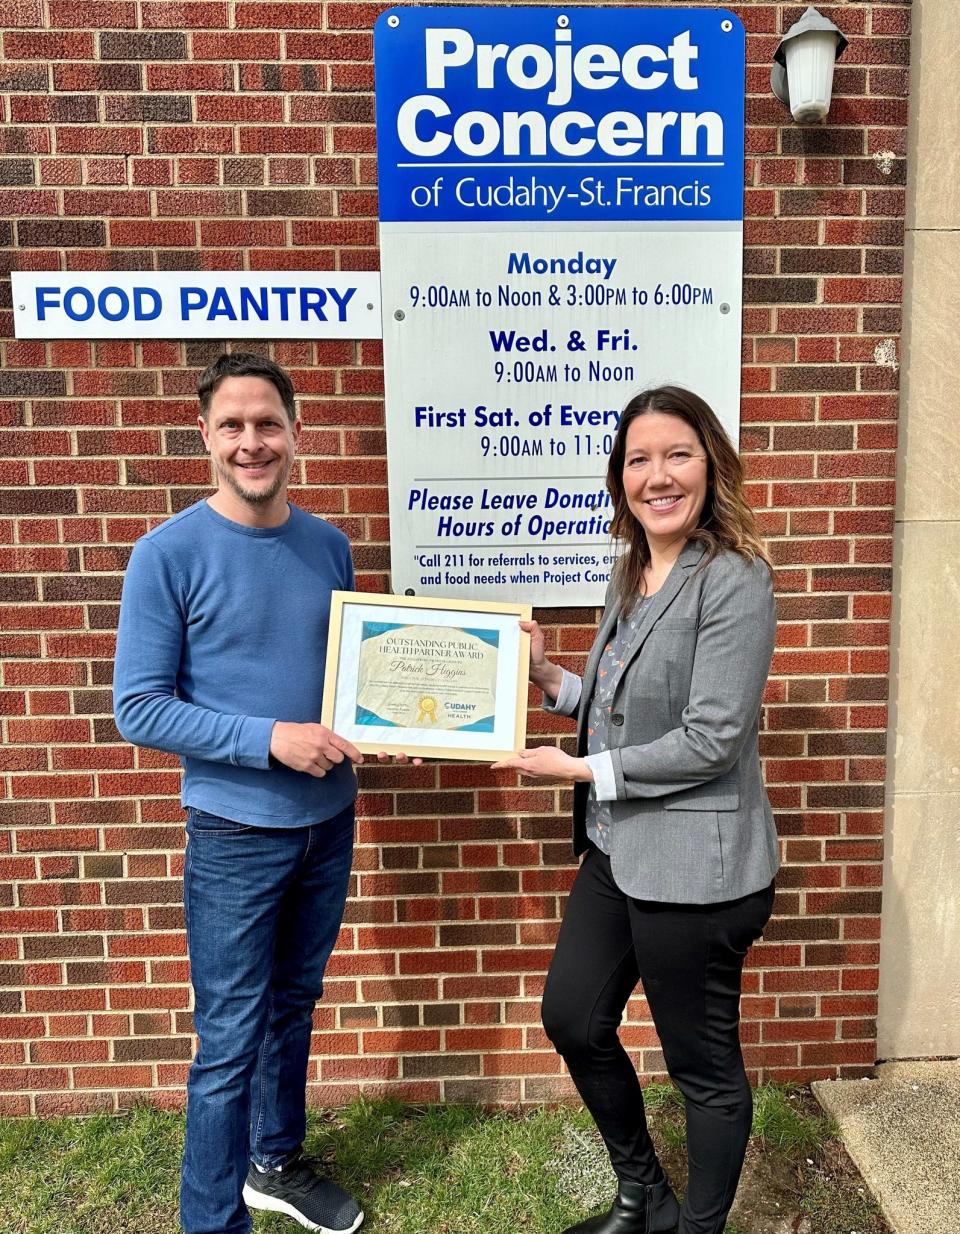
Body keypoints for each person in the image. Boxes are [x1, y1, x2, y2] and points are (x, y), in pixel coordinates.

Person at [114, 352, 400, 1234]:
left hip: (328, 823)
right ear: (205, 436)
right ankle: (212, 1221)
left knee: (295, 1003)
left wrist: (391, 726)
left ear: (295, 434)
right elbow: (139, 707)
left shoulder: (328, 545)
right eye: (233, 425)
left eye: (267, 423)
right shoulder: (165, 555)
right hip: (236, 834)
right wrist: (268, 741)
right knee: (230, 1039)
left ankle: (275, 1163)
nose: (252, 442)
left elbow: (345, 679)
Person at [493, 386, 779, 1234]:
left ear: (710, 464)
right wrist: (551, 683)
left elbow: (711, 739)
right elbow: (617, 706)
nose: (658, 475)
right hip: (620, 850)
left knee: (703, 1069)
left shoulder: (734, 580)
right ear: (620, 477)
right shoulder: (632, 571)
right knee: (572, 1016)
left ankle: (697, 1229)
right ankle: (643, 1195)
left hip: (699, 869)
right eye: (638, 459)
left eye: (676, 454)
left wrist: (581, 768)